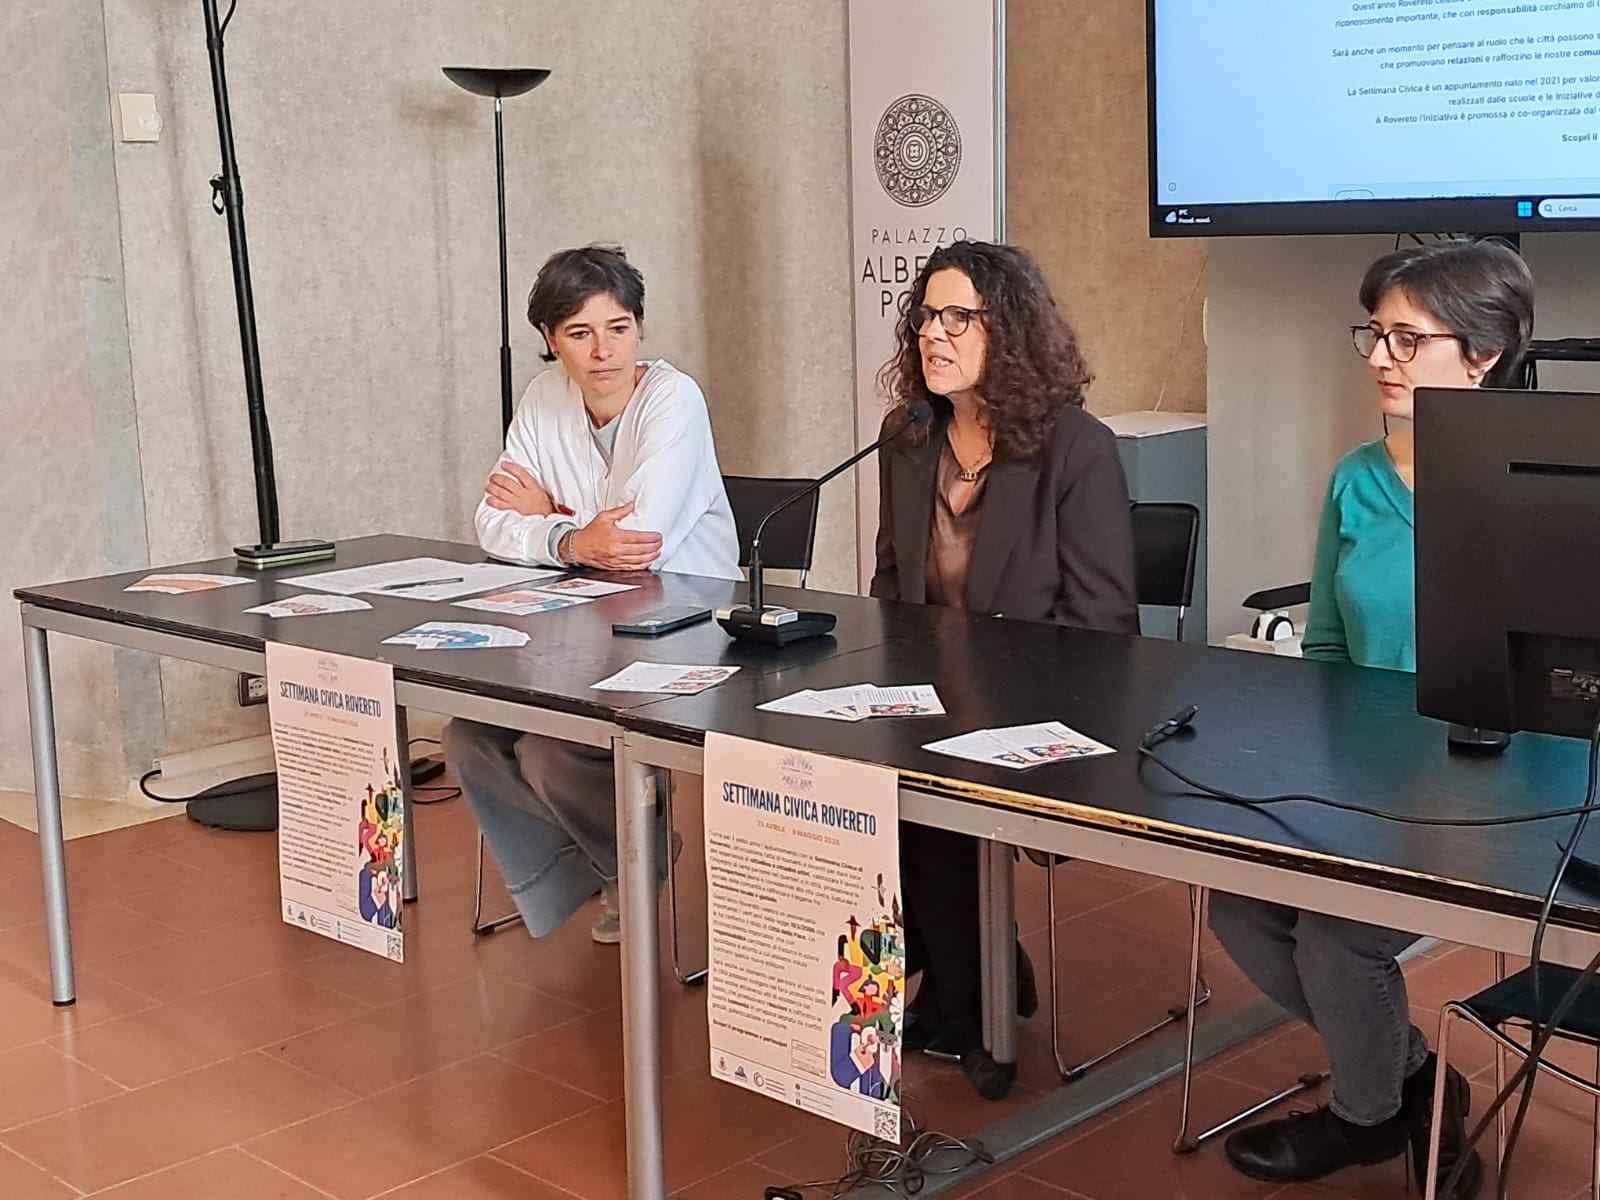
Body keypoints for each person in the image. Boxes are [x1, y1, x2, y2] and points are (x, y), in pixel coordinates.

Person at [1210, 239, 1534, 1200]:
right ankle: (1415, 1084)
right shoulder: (1356, 479)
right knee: (1239, 904)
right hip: (1364, 781)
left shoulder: (1536, 482)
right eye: (1375, 335)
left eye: (1408, 339)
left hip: (1493, 791)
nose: (1381, 358)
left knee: (1337, 941)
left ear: (1483, 355)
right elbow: (1325, 649)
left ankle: (1364, 1118)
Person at [871, 240, 1139, 1099]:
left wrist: (989, 701)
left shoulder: (1076, 449)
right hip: (926, 695)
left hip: (1040, 699)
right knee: (860, 785)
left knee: (940, 795)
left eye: (959, 318)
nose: (933, 334)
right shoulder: (909, 437)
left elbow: (1103, 620)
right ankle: (964, 981)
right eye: (926, 316)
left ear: (1010, 330)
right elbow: (890, 586)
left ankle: (975, 999)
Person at [444, 245, 741, 944]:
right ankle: (609, 863)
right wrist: (573, 539)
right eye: (580, 333)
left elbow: (639, 544)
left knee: (549, 752)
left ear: (639, 328)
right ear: (551, 340)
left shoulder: (673, 399)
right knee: (468, 739)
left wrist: (549, 519)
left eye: (619, 328)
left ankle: (625, 869)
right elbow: (491, 521)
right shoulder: (543, 398)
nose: (603, 350)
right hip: (575, 627)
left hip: (682, 627)